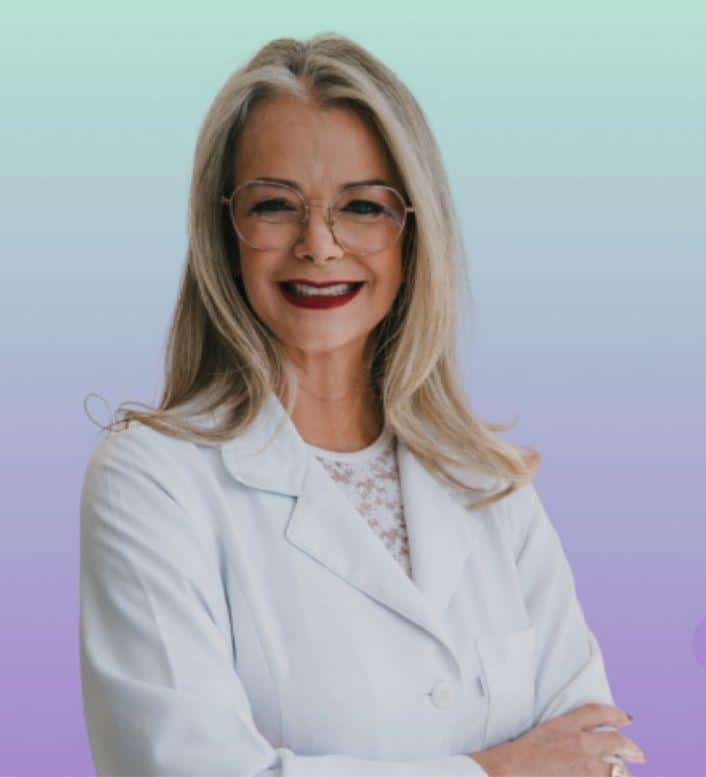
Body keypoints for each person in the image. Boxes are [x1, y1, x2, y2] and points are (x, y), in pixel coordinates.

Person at [79, 32, 646, 776]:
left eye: (363, 207)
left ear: (413, 232)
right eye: (275, 205)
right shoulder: (152, 481)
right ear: (224, 232)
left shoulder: (486, 481)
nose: (319, 244)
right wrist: (498, 769)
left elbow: (593, 753)